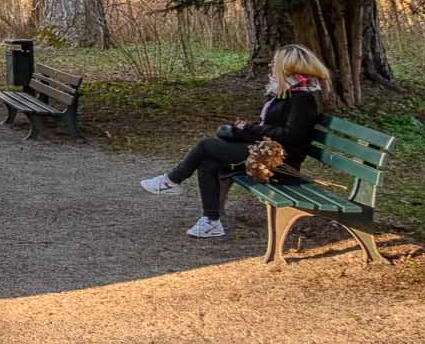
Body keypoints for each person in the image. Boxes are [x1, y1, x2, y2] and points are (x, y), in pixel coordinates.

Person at [139, 43, 329, 239]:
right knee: (208, 160)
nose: (271, 66)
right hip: (266, 151)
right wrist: (243, 130)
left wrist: (249, 128)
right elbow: (275, 129)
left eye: (275, 62)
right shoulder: (289, 92)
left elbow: (292, 135)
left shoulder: (302, 97)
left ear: (288, 67)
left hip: (279, 161)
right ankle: (211, 221)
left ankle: (172, 180)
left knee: (206, 145)